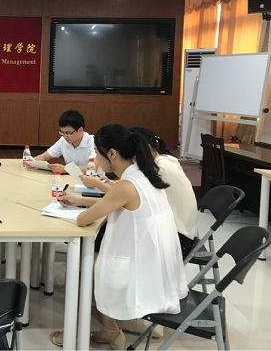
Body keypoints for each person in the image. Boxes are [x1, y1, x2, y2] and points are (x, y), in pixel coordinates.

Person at [51, 124, 187, 349]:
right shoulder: (145, 175)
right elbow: (118, 202)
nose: (95, 159)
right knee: (91, 259)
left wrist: (82, 206)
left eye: (97, 153)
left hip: (142, 268)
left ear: (112, 154)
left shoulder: (126, 185)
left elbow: (83, 220)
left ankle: (73, 333)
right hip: (156, 261)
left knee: (82, 265)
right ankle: (110, 330)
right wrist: (80, 200)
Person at [129, 127, 199, 258]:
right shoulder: (166, 160)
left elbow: (129, 196)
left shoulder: (159, 169)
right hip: (183, 232)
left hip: (177, 238)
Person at [33, 110, 97, 174]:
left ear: (80, 130)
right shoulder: (63, 141)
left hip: (95, 178)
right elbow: (44, 156)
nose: (65, 136)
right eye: (62, 132)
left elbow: (93, 168)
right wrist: (33, 162)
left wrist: (65, 169)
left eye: (68, 133)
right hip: (72, 178)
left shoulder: (94, 142)